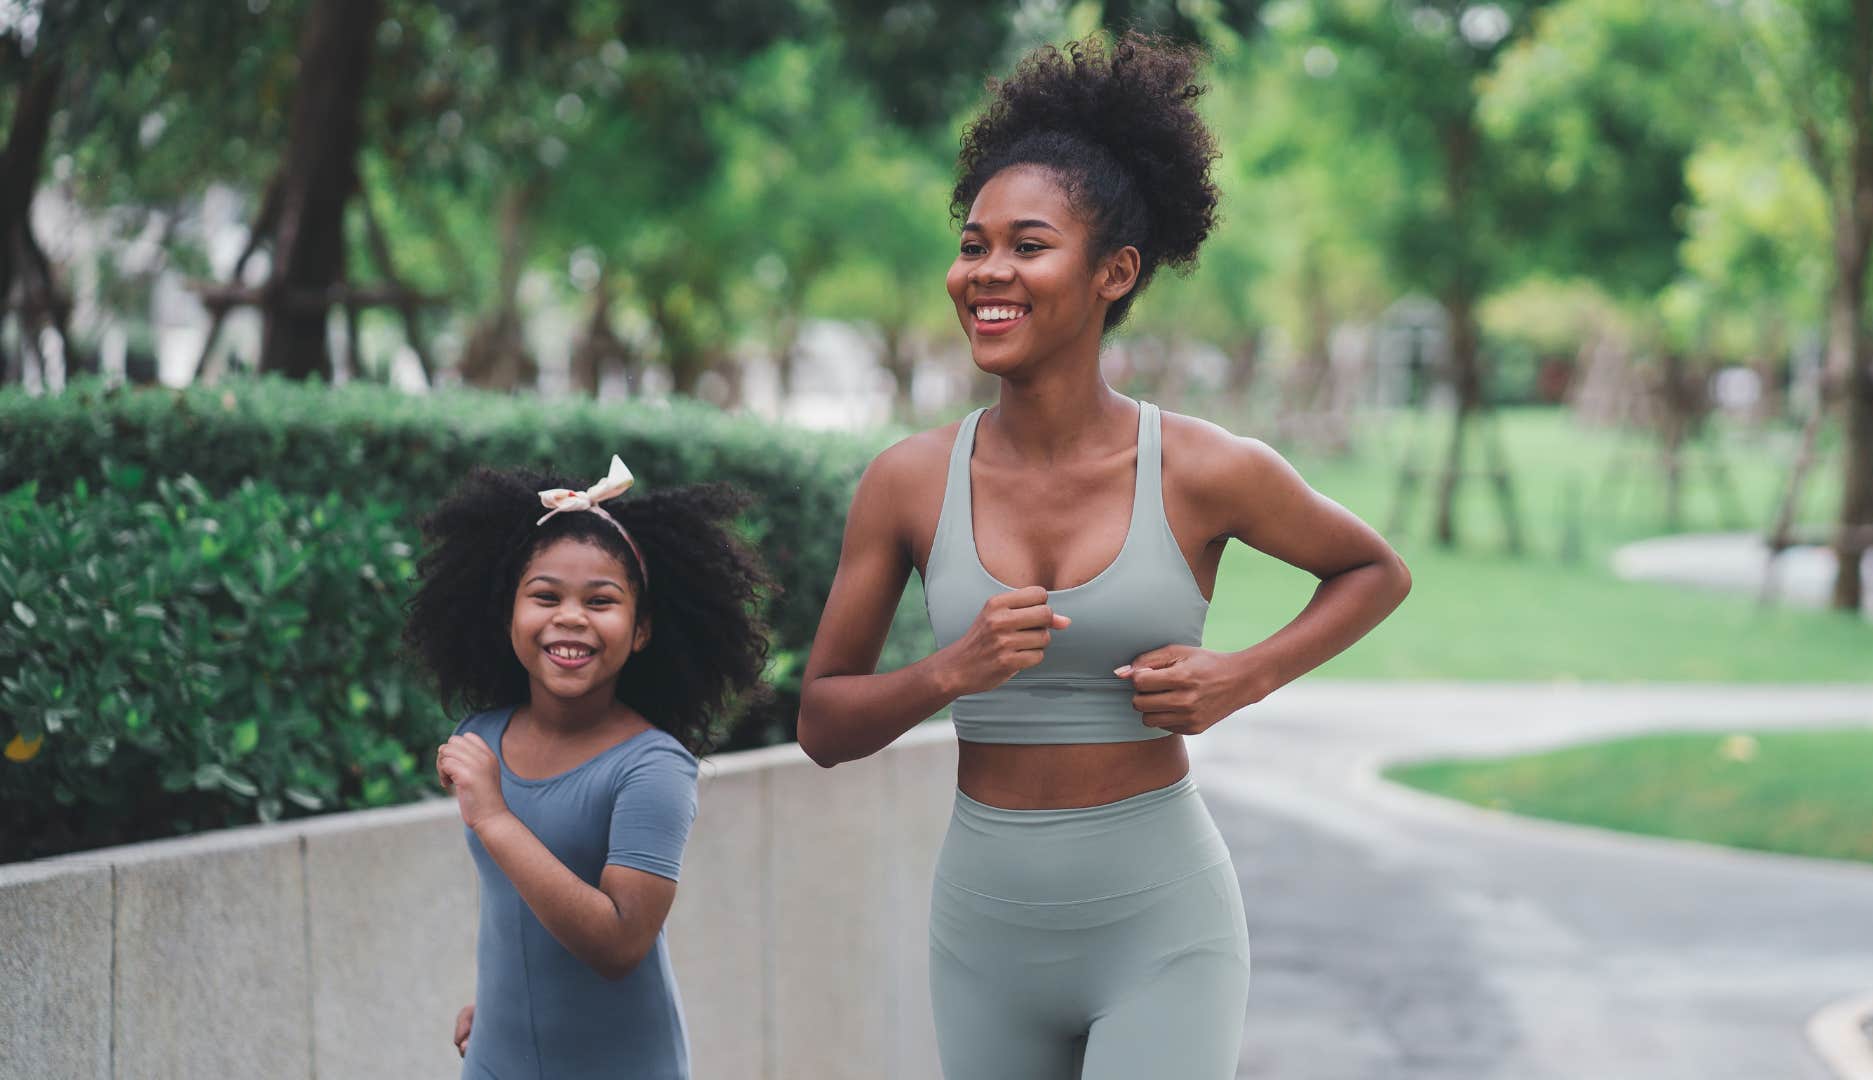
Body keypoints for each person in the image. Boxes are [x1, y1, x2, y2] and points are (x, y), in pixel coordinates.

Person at [796, 33, 1412, 1079]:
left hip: (1161, 926)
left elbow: (1373, 570)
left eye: (1026, 245)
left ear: (1112, 272)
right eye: (973, 242)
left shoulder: (1203, 469)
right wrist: (953, 671)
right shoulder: (907, 483)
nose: (986, 272)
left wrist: (1241, 677)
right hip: (983, 933)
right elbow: (821, 724)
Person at [404, 456, 770, 1079]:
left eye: (601, 601)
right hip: (497, 1061)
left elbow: (620, 942)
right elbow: (514, 914)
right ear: (507, 613)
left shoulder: (652, 767)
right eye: (545, 596)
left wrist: (494, 815)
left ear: (643, 628)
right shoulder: (481, 738)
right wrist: (503, 1005)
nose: (570, 616)